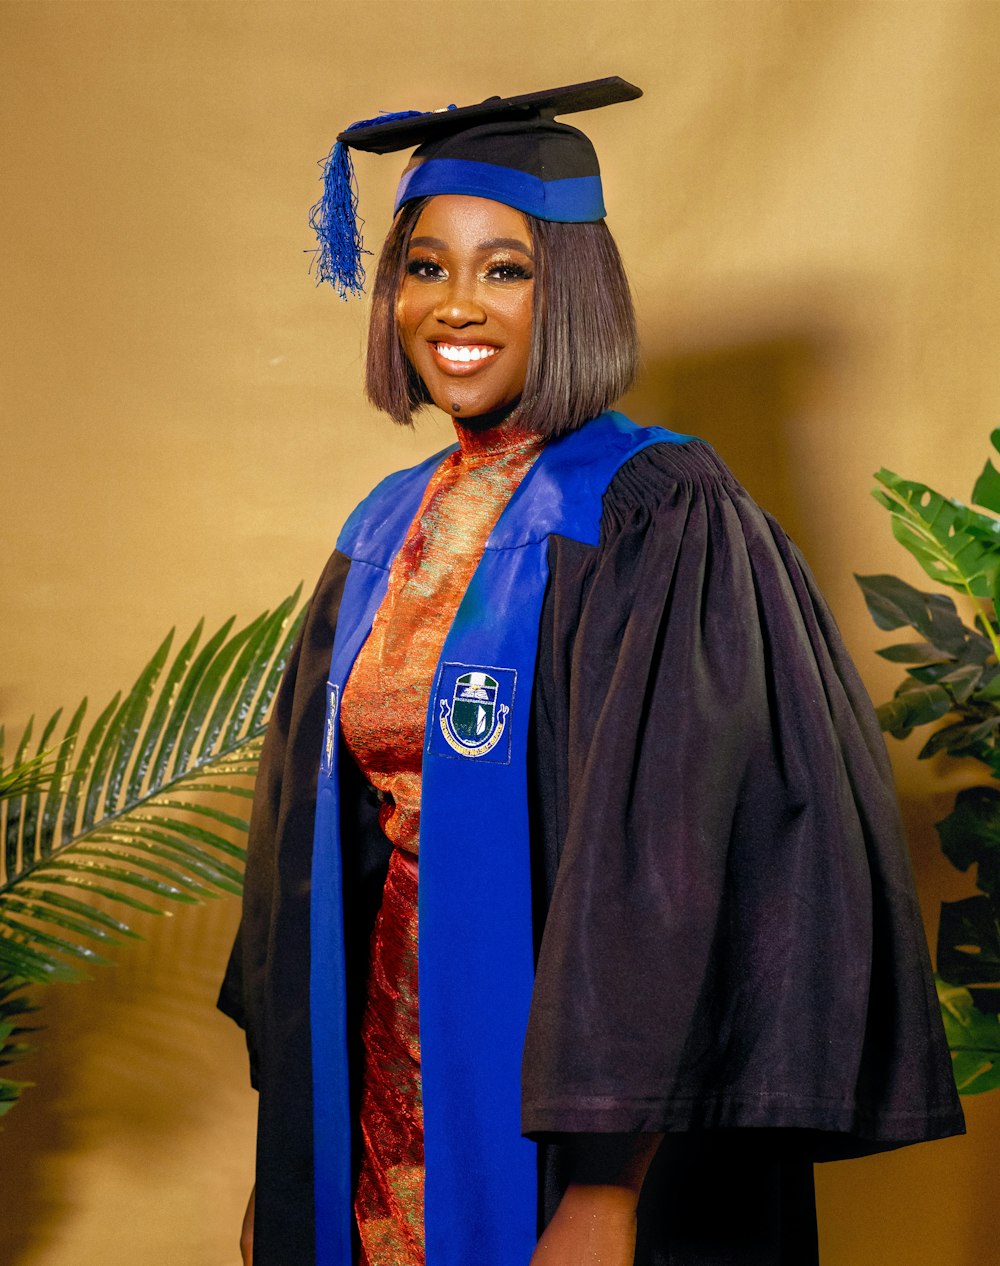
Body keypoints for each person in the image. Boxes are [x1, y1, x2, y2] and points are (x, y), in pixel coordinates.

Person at [218, 78, 964, 1266]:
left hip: (569, 1122)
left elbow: (681, 871)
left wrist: (604, 1193)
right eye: (423, 266)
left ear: (573, 290)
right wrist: (292, 1152)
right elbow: (298, 860)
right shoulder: (385, 527)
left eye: (505, 268)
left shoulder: (654, 511)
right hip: (377, 1085)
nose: (455, 304)